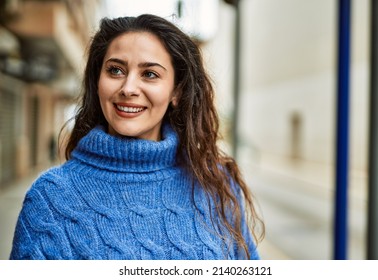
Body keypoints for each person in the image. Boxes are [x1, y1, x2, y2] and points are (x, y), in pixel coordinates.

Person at [10, 14, 264, 260]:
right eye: (116, 70)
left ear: (176, 91)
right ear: (97, 81)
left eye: (150, 74)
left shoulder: (217, 182)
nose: (128, 88)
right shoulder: (51, 198)